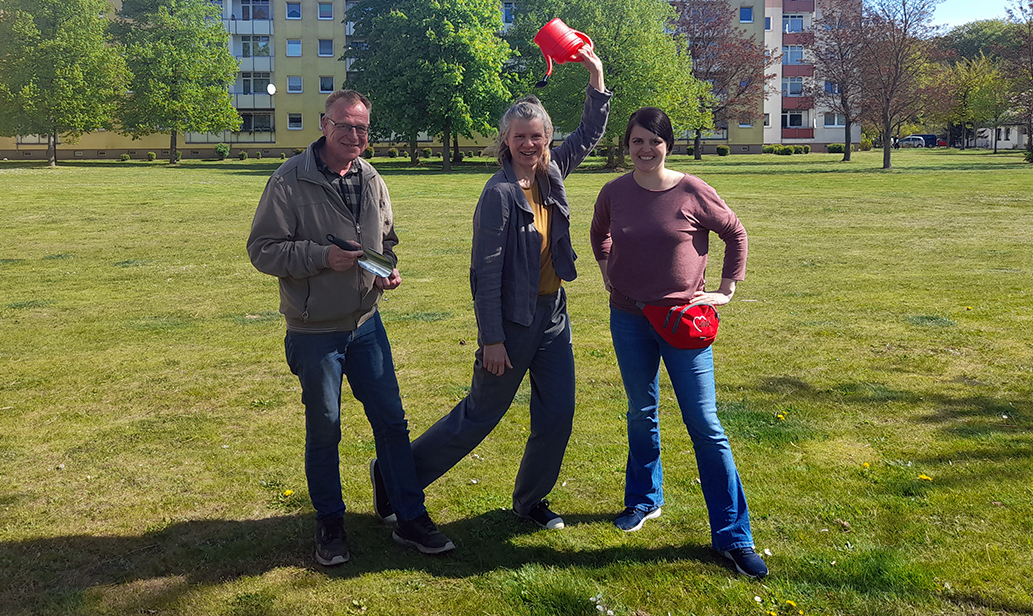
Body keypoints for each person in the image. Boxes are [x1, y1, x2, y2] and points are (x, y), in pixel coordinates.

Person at [369, 46, 609, 530]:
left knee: (558, 412)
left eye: (537, 136)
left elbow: (588, 133)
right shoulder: (498, 194)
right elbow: (485, 273)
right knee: (481, 414)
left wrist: (595, 76)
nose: (529, 144)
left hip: (553, 314)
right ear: (506, 139)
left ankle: (530, 500)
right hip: (512, 320)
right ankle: (395, 476)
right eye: (520, 136)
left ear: (547, 138)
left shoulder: (551, 173)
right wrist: (492, 339)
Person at [247, 89, 454, 567]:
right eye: (344, 125)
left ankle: (410, 516)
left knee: (392, 422)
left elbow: (387, 239)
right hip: (314, 331)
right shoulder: (289, 180)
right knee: (325, 429)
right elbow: (263, 250)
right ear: (324, 125)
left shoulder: (370, 176)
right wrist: (322, 256)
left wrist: (387, 270)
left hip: (365, 324)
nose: (354, 135)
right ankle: (330, 522)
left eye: (362, 127)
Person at [589, 106, 768, 578]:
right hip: (629, 318)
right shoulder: (614, 192)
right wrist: (608, 273)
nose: (646, 149)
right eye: (637, 141)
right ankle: (644, 500)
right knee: (640, 411)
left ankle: (733, 536)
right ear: (627, 146)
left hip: (682, 321)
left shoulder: (692, 191)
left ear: (668, 144)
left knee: (705, 425)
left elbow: (735, 232)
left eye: (655, 140)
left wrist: (727, 288)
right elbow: (599, 234)